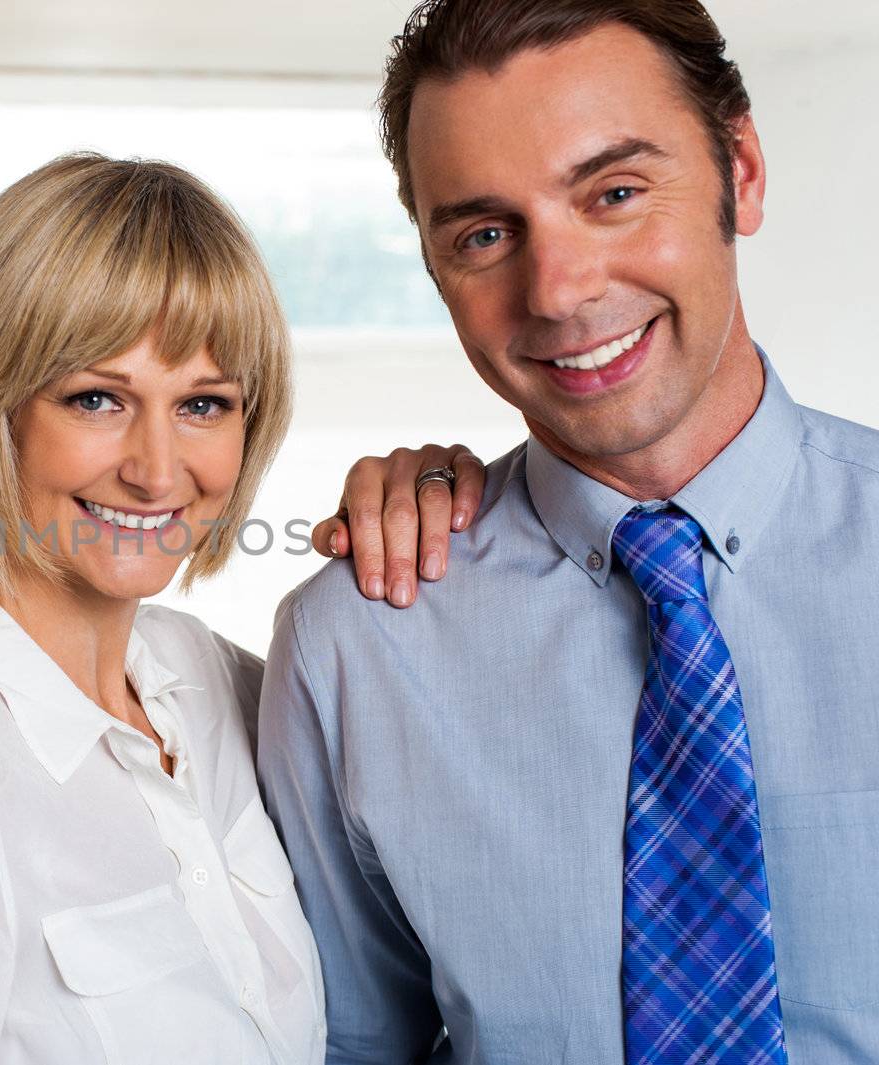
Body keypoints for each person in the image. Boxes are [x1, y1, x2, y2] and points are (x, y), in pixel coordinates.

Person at [261, 0, 879, 1062]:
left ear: (743, 171)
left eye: (616, 194)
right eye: (486, 234)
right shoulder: (356, 646)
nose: (559, 291)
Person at [0, 152, 474, 1065]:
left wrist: (441, 507)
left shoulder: (212, 681)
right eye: (97, 397)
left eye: (204, 404)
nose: (156, 468)